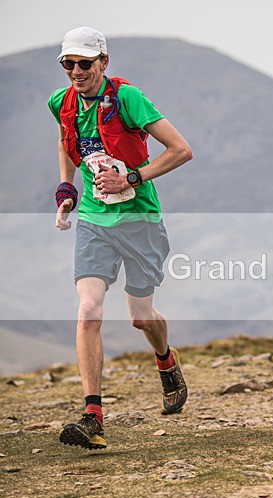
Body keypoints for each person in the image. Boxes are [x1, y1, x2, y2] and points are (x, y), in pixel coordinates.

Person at [50, 27, 192, 449]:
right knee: (89, 308)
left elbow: (181, 149)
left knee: (141, 317)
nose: (76, 72)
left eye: (84, 64)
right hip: (95, 221)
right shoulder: (62, 102)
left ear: (103, 63)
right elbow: (65, 142)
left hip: (139, 218)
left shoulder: (128, 98)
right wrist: (66, 188)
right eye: (68, 64)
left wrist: (132, 176)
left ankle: (166, 360)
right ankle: (93, 414)